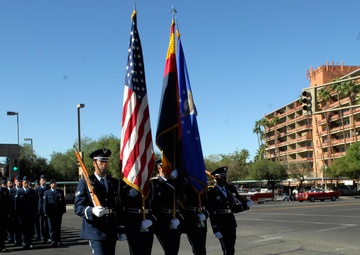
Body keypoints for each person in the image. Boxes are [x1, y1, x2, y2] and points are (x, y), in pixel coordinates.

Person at [74, 148, 123, 255]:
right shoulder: (85, 182)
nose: (104, 164)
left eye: (106, 161)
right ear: (94, 163)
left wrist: (121, 228)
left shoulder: (114, 182)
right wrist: (92, 210)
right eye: (101, 161)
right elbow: (78, 207)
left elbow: (118, 206)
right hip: (95, 230)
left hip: (111, 229)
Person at [207, 166, 252, 255]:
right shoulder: (212, 193)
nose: (224, 179)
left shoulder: (228, 191)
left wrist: (245, 206)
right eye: (222, 177)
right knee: (228, 250)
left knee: (231, 249)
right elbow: (211, 212)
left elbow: (233, 209)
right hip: (221, 223)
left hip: (231, 222)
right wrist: (215, 229)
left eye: (225, 177)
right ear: (216, 178)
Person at [151, 160, 183, 255]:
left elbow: (183, 202)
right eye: (166, 167)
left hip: (176, 219)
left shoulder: (178, 183)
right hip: (162, 221)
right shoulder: (154, 183)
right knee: (170, 251)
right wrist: (171, 180)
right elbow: (161, 197)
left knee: (174, 251)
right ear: (159, 168)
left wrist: (179, 218)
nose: (169, 170)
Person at [121, 179, 156, 255]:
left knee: (147, 251)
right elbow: (120, 206)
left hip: (147, 219)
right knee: (136, 251)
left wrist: (151, 220)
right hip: (132, 221)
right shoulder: (124, 184)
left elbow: (156, 205)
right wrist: (121, 227)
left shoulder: (150, 183)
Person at [183, 178, 209, 255]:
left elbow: (208, 203)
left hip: (202, 218)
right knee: (198, 248)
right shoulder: (185, 184)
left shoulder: (201, 183)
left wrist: (205, 214)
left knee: (202, 248)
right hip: (191, 218)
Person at [15, 176, 37, 249]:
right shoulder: (19, 191)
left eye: (27, 182)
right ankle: (24, 243)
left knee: (30, 229)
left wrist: (35, 212)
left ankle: (29, 242)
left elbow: (35, 203)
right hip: (23, 214)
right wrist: (18, 213)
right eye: (25, 182)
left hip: (30, 213)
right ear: (22, 183)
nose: (26, 184)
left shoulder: (32, 191)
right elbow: (17, 204)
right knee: (24, 229)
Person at [43, 179, 66, 246]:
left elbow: (63, 202)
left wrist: (63, 210)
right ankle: (53, 240)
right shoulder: (47, 192)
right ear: (50, 185)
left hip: (58, 212)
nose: (54, 184)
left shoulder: (60, 192)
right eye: (52, 183)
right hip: (50, 213)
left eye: (55, 183)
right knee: (51, 227)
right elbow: (45, 203)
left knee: (58, 227)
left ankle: (58, 240)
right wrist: (45, 211)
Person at [35, 175, 49, 243]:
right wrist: (36, 209)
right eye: (43, 180)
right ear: (40, 181)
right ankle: (42, 236)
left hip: (46, 208)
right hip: (40, 208)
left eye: (45, 180)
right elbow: (36, 200)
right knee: (41, 223)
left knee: (47, 223)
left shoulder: (48, 188)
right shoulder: (37, 189)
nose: (44, 181)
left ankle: (47, 236)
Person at [0, 178, 11, 252]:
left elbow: (8, 203)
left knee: (3, 231)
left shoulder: (5, 190)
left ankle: (2, 246)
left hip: (3, 214)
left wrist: (8, 213)